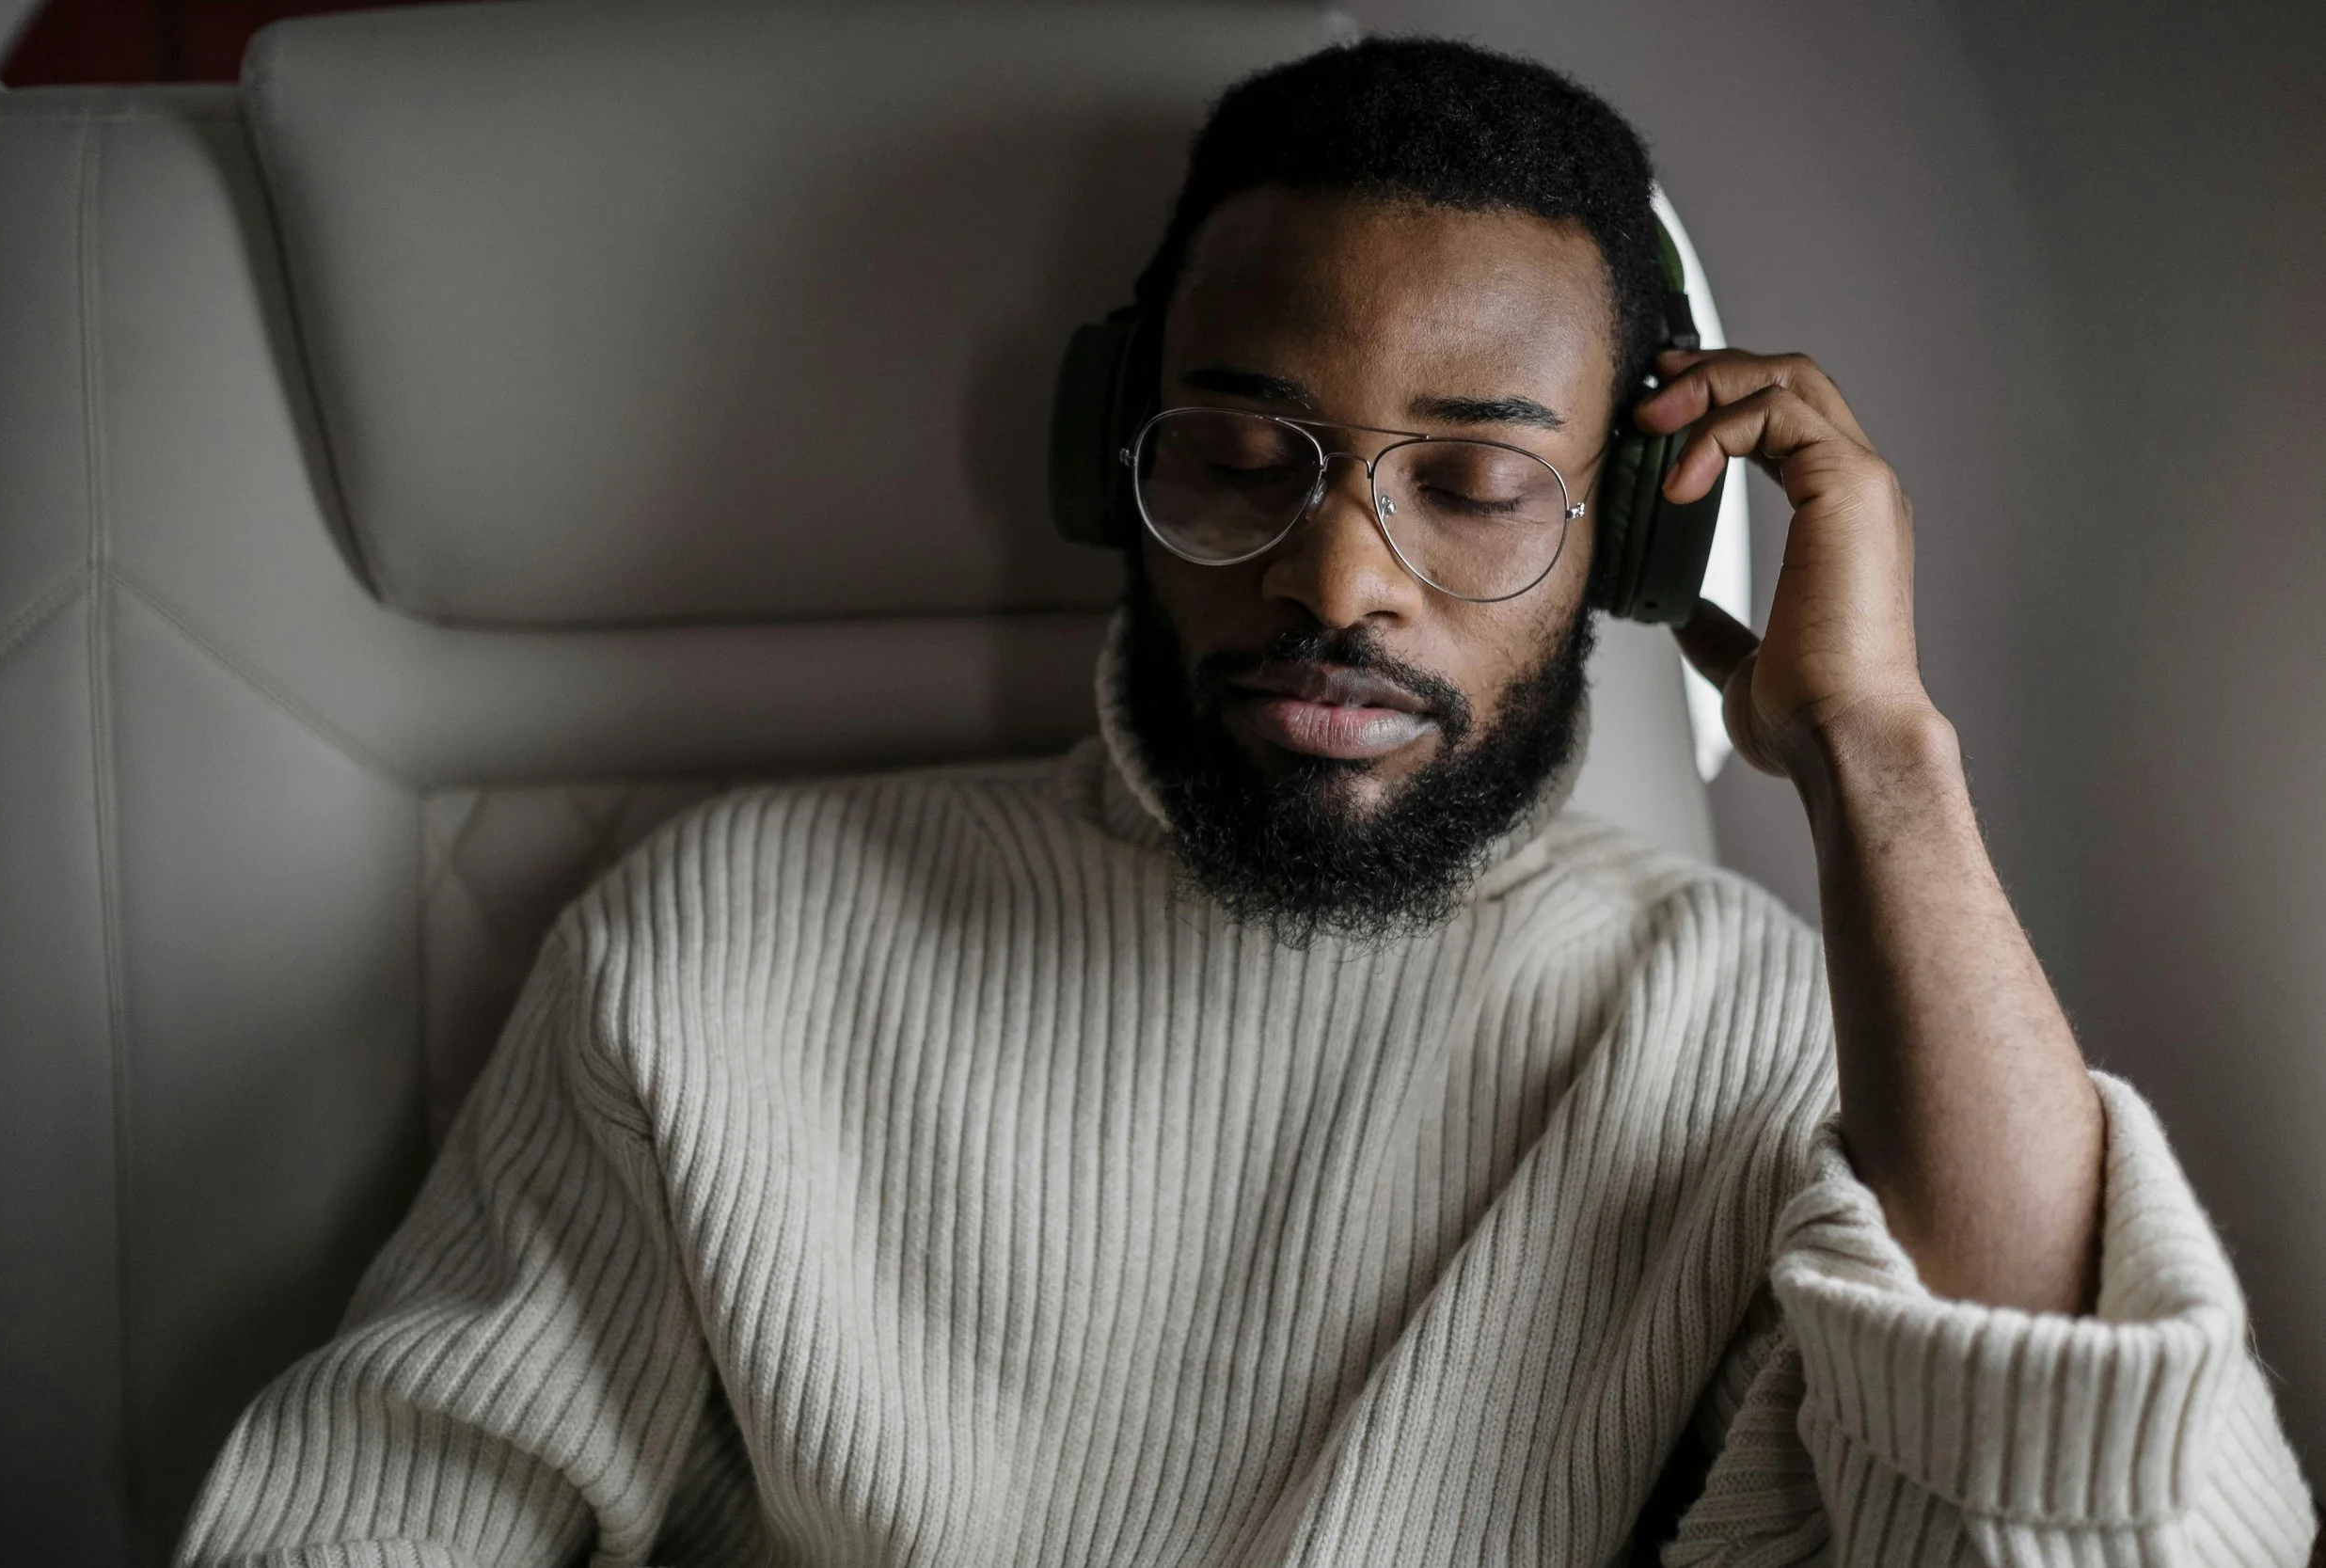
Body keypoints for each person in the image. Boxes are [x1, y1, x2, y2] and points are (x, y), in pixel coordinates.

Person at [178, 38, 2314, 1567]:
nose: (1336, 576)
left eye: (1474, 483)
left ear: (1634, 549)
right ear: (1114, 459)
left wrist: (1873, 752)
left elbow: (2109, 1534)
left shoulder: (1750, 1034)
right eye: (1237, 452)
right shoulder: (719, 942)